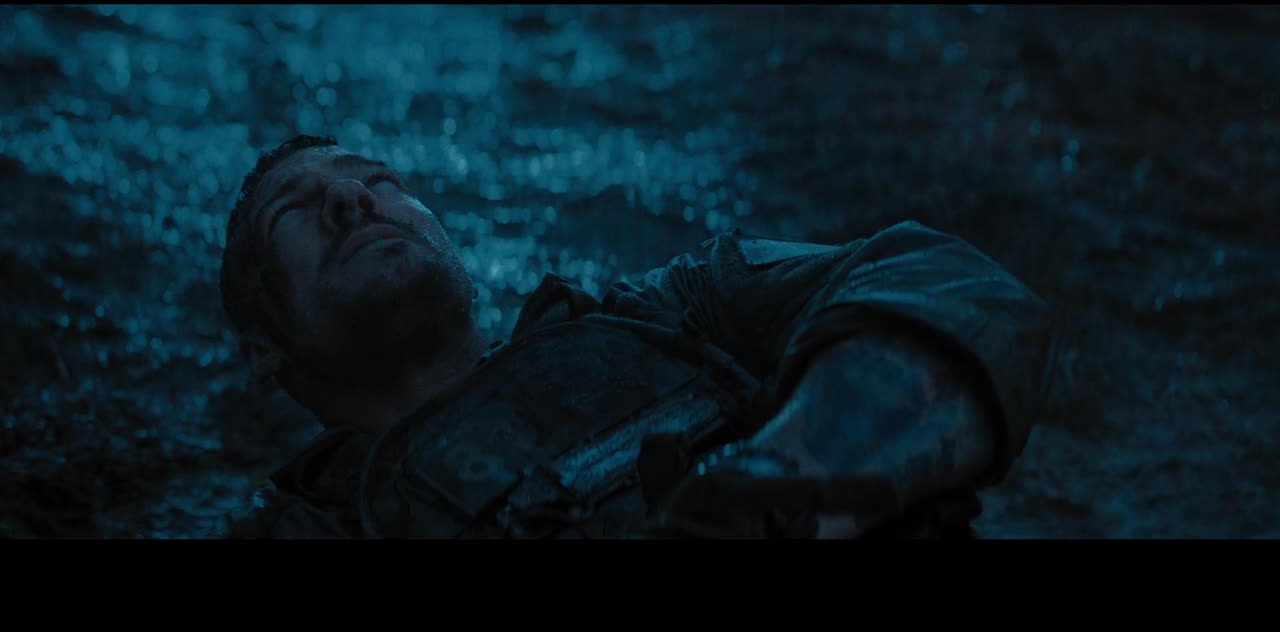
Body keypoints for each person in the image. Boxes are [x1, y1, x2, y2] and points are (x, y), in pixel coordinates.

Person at [219, 135, 1057, 539]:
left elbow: (955, 281)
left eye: (378, 179)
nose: (353, 200)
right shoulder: (300, 531)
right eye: (295, 208)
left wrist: (790, 479)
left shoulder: (678, 309)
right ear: (263, 350)